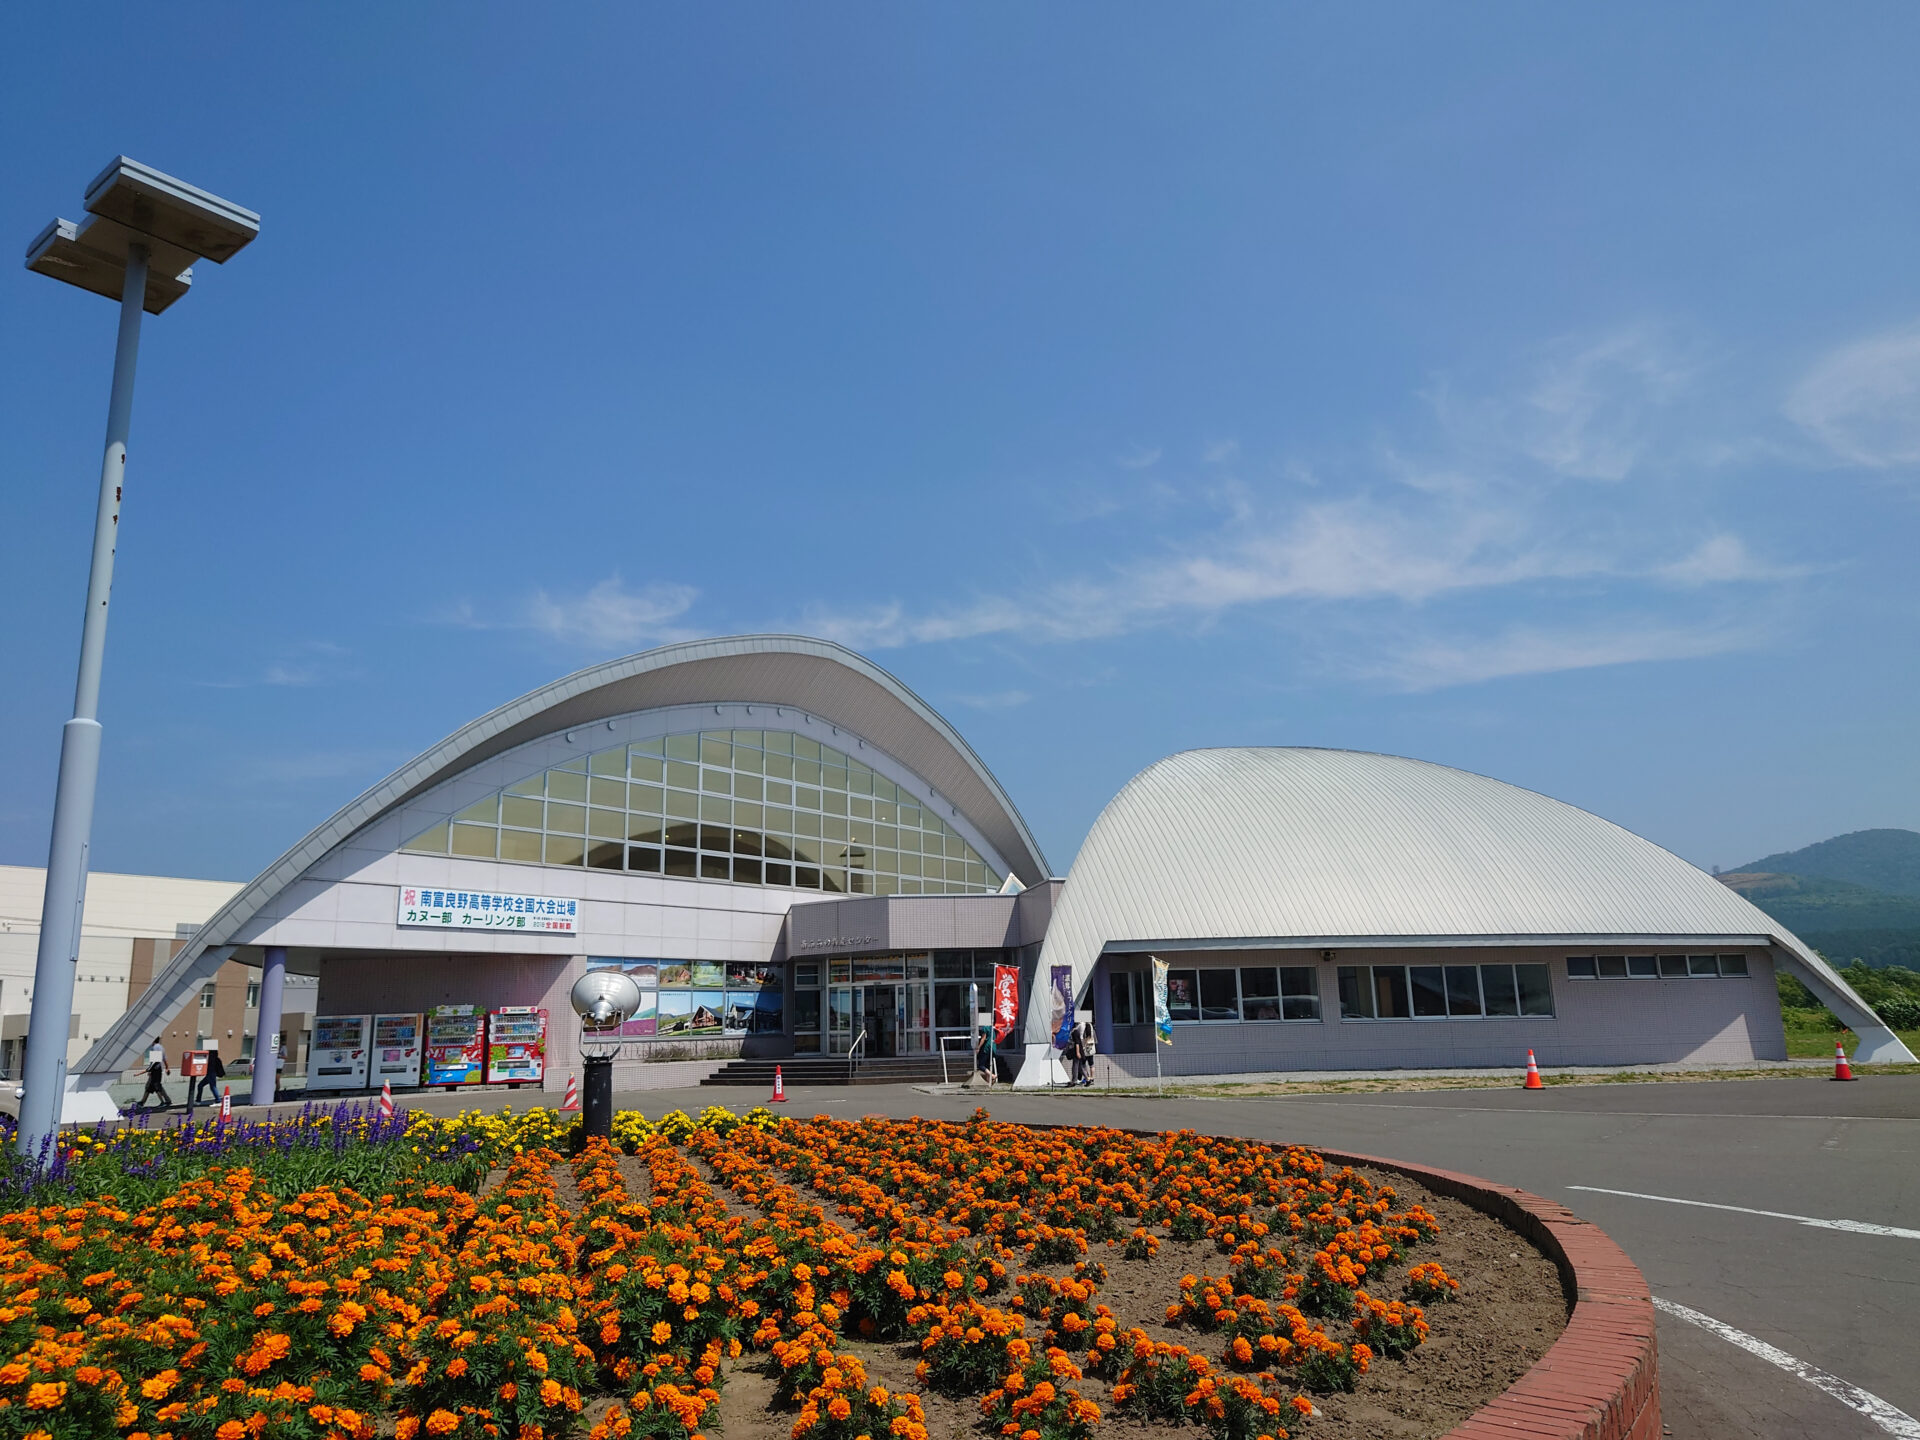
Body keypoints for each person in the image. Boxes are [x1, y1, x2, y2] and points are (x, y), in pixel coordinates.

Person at [140, 1037, 173, 1110]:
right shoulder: (161, 1047)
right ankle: (167, 1100)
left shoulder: (155, 1047)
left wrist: (150, 1070)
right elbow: (164, 1059)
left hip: (155, 1070)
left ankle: (143, 1102)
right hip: (159, 1069)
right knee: (155, 1086)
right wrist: (167, 1068)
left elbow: (155, 1061)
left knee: (153, 1086)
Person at [194, 1041, 226, 1106]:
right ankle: (198, 1100)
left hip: (210, 1073)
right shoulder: (215, 1057)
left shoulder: (210, 1057)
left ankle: (218, 1101)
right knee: (202, 1085)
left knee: (212, 1086)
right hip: (211, 1073)